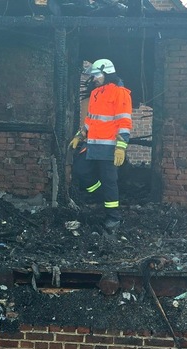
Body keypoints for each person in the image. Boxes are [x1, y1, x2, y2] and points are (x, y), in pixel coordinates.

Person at [69, 58, 131, 233]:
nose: (94, 79)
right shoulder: (96, 94)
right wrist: (80, 135)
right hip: (93, 145)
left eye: (96, 75)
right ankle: (99, 194)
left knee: (110, 182)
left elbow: (124, 122)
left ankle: (113, 218)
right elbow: (91, 119)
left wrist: (121, 146)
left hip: (110, 147)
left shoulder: (120, 93)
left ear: (107, 73)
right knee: (81, 169)